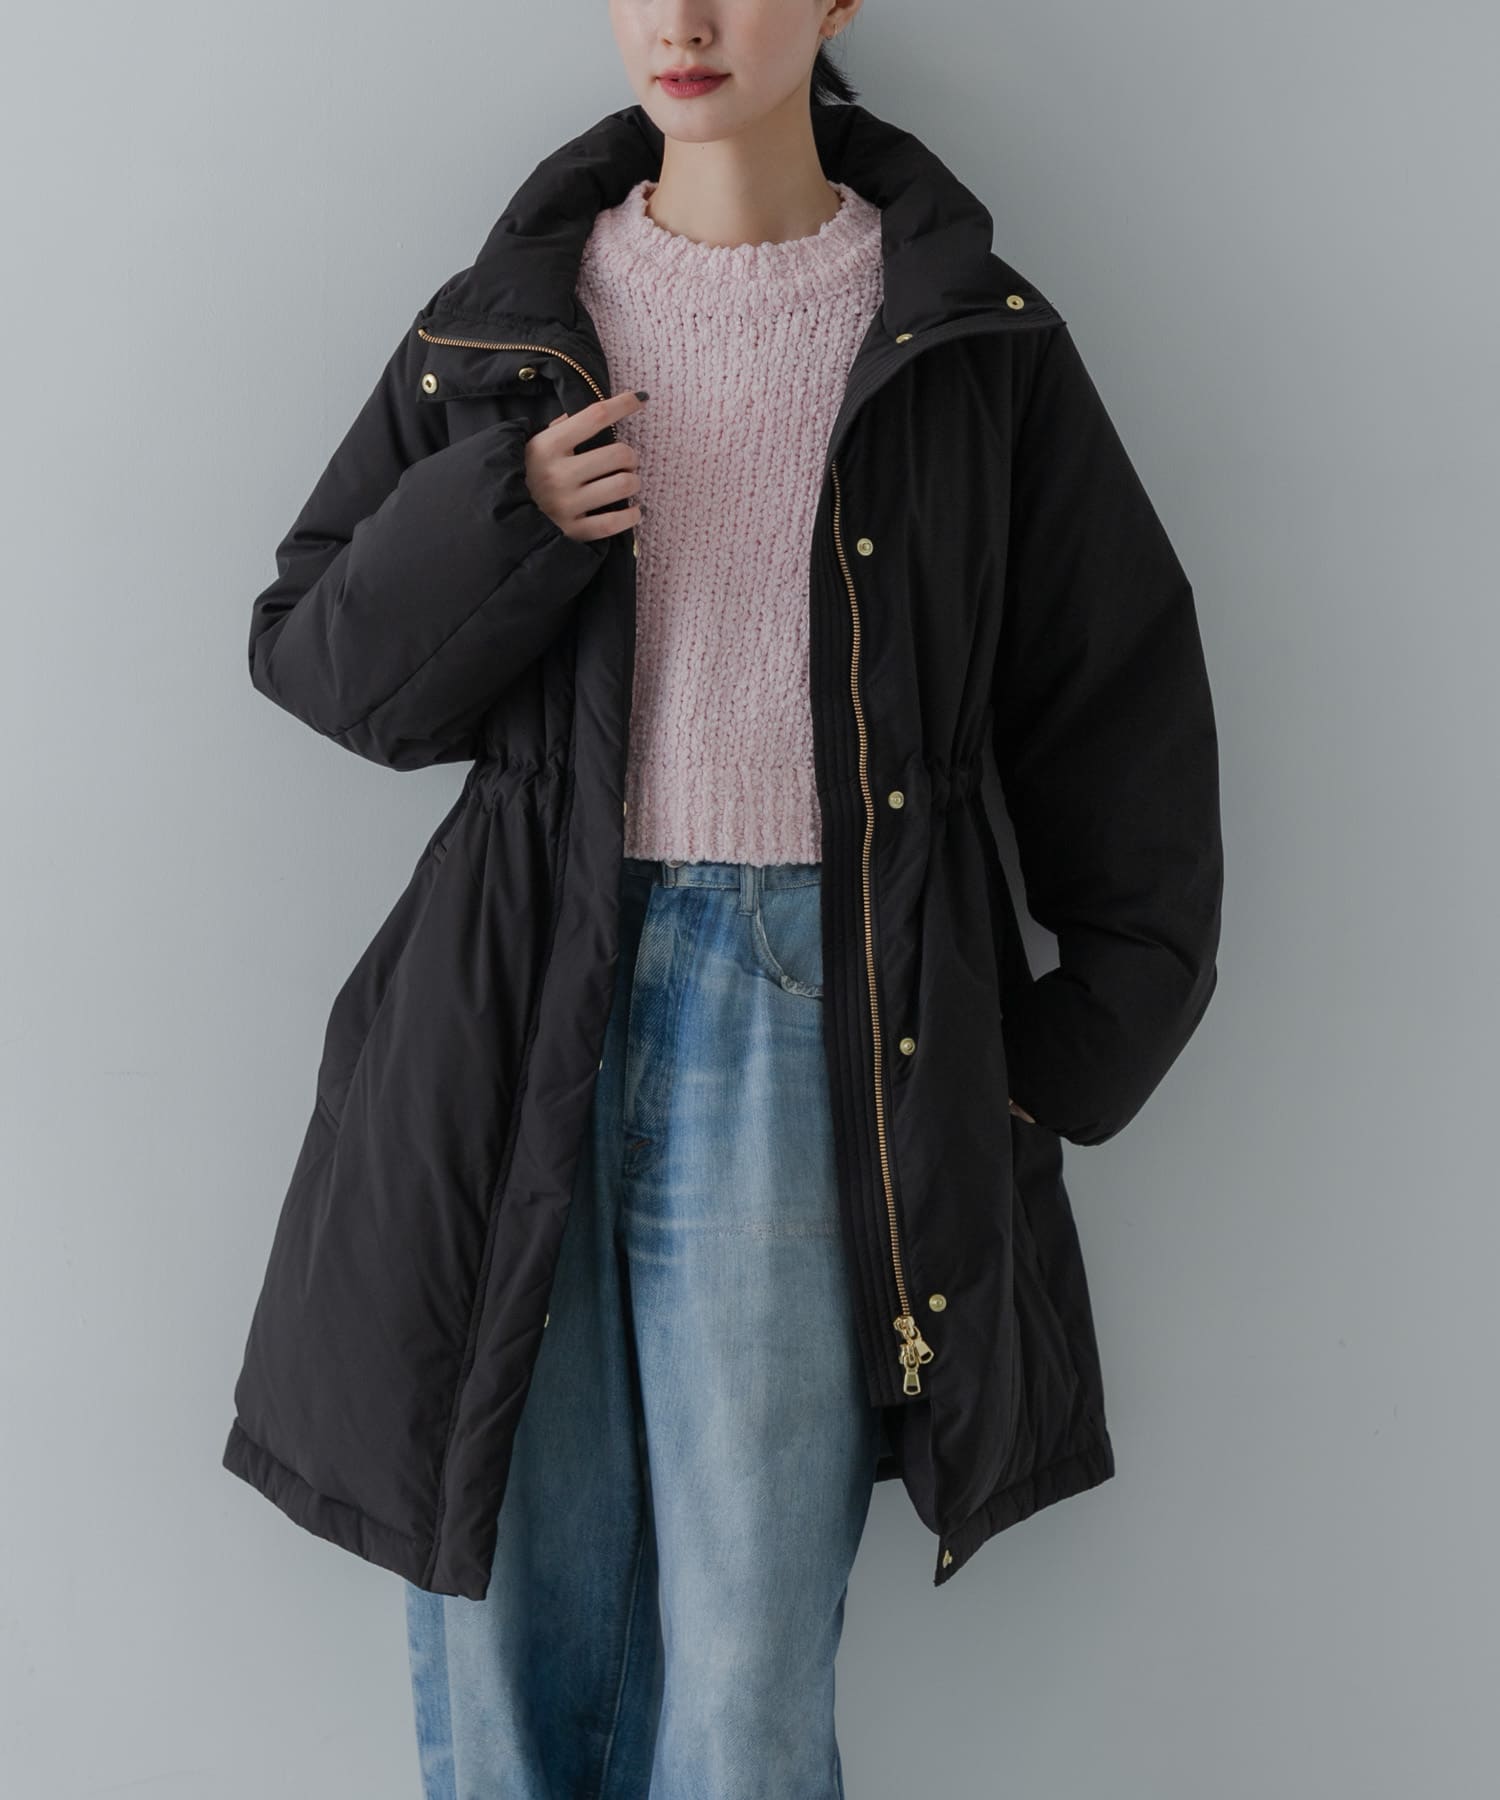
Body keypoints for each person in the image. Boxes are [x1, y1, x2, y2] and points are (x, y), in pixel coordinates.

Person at [222, 1, 1223, 1794]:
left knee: (746, 1657)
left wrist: (1054, 1065)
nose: (682, 20)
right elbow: (320, 664)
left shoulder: (969, 335)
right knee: (501, 1610)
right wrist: (506, 510)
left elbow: (1118, 702)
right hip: (515, 1004)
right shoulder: (502, 323)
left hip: (807, 1007)